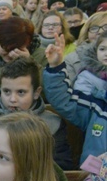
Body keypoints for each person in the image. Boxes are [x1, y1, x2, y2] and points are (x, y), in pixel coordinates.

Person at [0, 58, 74, 169]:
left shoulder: (52, 124)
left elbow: (61, 166)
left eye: (21, 92)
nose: (12, 99)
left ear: (36, 93)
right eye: (6, 91)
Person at [43, 32, 107, 164]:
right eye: (102, 49)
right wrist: (56, 67)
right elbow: (65, 102)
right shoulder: (98, 105)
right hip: (95, 176)